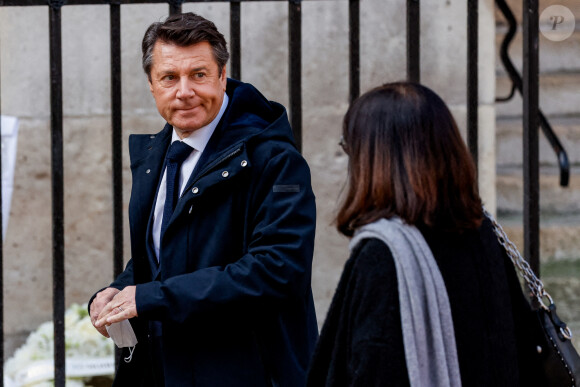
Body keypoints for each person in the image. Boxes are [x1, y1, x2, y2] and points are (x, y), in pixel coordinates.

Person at [89, 12, 318, 387]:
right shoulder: (157, 154)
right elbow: (168, 251)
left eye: (199, 74)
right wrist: (118, 292)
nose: (184, 91)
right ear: (151, 84)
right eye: (169, 78)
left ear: (222, 76)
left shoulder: (275, 161)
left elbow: (278, 271)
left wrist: (150, 298)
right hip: (167, 368)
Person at [307, 82, 541, 386]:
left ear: (375, 159)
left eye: (349, 146)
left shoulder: (383, 254)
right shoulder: (480, 231)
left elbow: (372, 367)